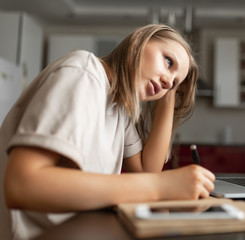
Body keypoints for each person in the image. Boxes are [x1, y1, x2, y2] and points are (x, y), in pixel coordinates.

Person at [0, 24, 215, 239]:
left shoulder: (119, 107)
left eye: (174, 83)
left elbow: (146, 171)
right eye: (168, 61)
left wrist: (169, 94)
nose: (168, 81)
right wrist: (162, 186)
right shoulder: (83, 73)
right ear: (138, 42)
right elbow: (21, 184)